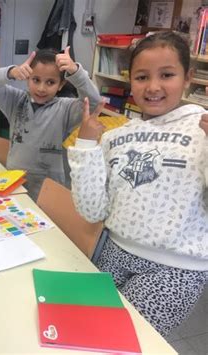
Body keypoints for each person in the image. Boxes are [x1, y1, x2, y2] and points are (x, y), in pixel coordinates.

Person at [68, 31, 208, 336]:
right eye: (142, 77)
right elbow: (92, 210)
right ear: (130, 80)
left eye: (167, 74)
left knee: (121, 340)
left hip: (175, 269)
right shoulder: (117, 135)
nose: (153, 87)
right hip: (113, 252)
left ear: (188, 78)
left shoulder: (203, 129)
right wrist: (87, 146)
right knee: (85, 333)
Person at [0, 47, 101, 200]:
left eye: (50, 82)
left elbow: (92, 101)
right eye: (36, 80)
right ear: (27, 79)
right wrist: (12, 72)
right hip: (14, 180)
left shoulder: (65, 109)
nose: (41, 88)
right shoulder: (16, 100)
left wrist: (75, 72)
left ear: (60, 85)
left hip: (48, 186)